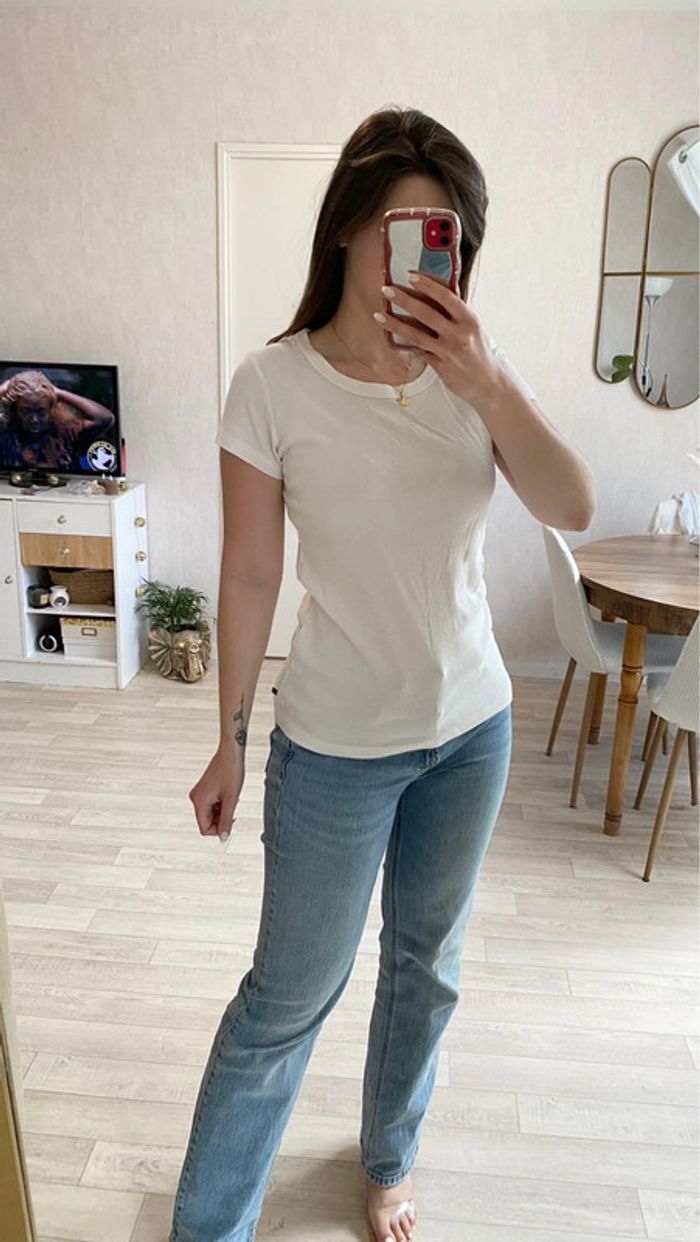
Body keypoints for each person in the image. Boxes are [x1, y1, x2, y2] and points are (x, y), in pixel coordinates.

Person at [168, 106, 596, 1242]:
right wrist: (228, 740)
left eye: (447, 233)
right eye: (407, 225)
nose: (424, 253)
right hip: (334, 749)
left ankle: (390, 1160)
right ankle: (208, 1228)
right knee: (286, 1000)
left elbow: (572, 504)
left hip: (472, 731)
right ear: (349, 227)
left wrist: (489, 383)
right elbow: (249, 574)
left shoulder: (475, 380)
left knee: (426, 968)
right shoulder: (270, 385)